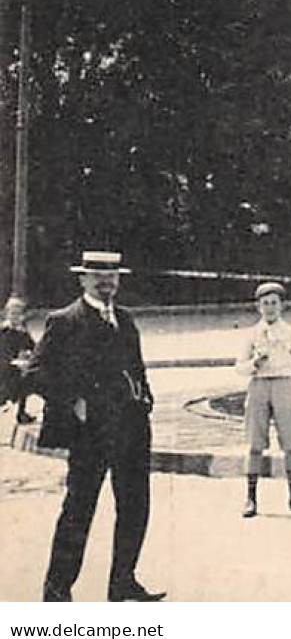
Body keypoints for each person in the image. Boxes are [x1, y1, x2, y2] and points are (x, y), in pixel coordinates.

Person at [30, 251, 163, 602]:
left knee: (135, 507)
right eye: (98, 275)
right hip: (90, 433)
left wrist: (146, 398)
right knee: (79, 511)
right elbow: (36, 373)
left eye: (113, 275)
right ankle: (57, 592)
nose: (107, 282)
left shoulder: (125, 318)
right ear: (83, 279)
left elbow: (137, 367)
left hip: (132, 430)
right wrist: (75, 401)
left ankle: (123, 582)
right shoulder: (65, 320)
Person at [236, 282, 291, 518]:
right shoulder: (251, 334)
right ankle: (250, 498)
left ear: (282, 306)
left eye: (274, 303)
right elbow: (239, 367)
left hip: (284, 383)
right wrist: (253, 364)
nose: (269, 308)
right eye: (265, 303)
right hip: (259, 385)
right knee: (254, 443)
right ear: (258, 306)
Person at [2, 296, 38, 424]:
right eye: (13, 313)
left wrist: (28, 355)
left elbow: (34, 349)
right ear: (6, 314)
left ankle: (21, 413)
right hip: (3, 369)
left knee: (28, 379)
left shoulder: (23, 332)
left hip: (17, 370)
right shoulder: (3, 332)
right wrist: (12, 362)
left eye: (18, 313)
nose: (15, 316)